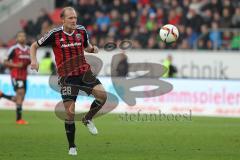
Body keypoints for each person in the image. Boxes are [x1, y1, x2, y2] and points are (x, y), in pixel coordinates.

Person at [30, 7, 107, 156]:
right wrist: (34, 61)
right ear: (63, 20)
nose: (74, 21)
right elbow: (34, 46)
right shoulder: (54, 34)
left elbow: (87, 47)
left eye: (75, 18)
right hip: (67, 78)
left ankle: (87, 118)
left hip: (84, 72)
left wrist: (93, 49)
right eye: (70, 18)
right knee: (70, 113)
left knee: (103, 96)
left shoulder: (81, 31)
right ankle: (72, 146)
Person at [0, 31, 30, 124]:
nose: (22, 37)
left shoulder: (29, 49)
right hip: (16, 75)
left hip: (24, 76)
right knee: (20, 94)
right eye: (20, 36)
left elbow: (30, 61)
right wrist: (16, 65)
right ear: (17, 38)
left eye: (24, 36)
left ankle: (2, 95)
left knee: (20, 98)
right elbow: (4, 62)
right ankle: (19, 119)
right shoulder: (13, 49)